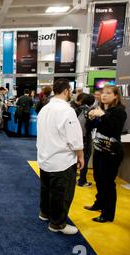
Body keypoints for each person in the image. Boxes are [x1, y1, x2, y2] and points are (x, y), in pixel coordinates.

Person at [37, 79, 84, 235]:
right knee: (61, 194)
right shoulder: (67, 111)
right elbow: (75, 138)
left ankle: (45, 213)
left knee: (46, 189)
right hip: (61, 160)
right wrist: (80, 155)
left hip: (45, 157)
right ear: (66, 91)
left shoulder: (45, 108)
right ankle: (57, 224)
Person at [85, 86, 127, 223]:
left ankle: (108, 214)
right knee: (99, 179)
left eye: (108, 93)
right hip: (99, 150)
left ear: (116, 96)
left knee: (108, 183)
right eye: (103, 93)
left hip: (112, 153)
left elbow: (114, 128)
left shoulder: (119, 111)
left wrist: (102, 115)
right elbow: (91, 128)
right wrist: (91, 118)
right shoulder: (103, 110)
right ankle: (99, 203)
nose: (104, 95)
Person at [77, 94, 96, 187]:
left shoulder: (77, 109)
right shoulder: (90, 111)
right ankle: (82, 181)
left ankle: (76, 179)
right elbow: (92, 125)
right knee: (85, 158)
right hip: (85, 137)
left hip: (76, 137)